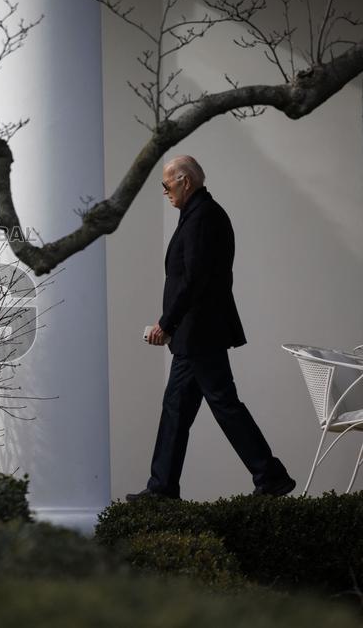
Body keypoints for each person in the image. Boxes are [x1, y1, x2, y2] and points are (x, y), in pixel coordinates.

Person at [126, 155, 295, 501]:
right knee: (178, 409)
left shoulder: (202, 218)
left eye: (166, 184)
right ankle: (162, 487)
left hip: (199, 332)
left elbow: (194, 280)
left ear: (185, 181)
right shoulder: (197, 215)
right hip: (194, 335)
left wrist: (166, 323)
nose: (164, 192)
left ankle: (270, 475)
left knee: (223, 404)